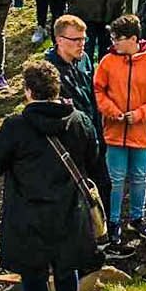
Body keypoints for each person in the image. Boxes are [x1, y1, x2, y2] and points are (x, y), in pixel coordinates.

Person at [0, 60, 101, 291]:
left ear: (28, 91)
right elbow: (93, 158)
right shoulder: (78, 120)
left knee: (34, 273)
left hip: (28, 214)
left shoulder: (16, 127)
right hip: (69, 210)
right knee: (66, 268)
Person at [94, 14, 146, 250]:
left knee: (139, 177)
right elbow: (98, 91)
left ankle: (138, 217)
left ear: (133, 39)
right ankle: (114, 222)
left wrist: (139, 114)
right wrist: (112, 111)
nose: (113, 41)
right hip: (114, 133)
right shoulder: (107, 61)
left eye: (118, 38)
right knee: (115, 181)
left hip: (142, 133)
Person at [45, 13, 110, 213]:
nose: (82, 44)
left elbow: (92, 97)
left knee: (103, 187)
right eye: (76, 40)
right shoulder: (49, 72)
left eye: (84, 39)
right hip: (70, 146)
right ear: (59, 40)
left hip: (93, 136)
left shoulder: (84, 61)